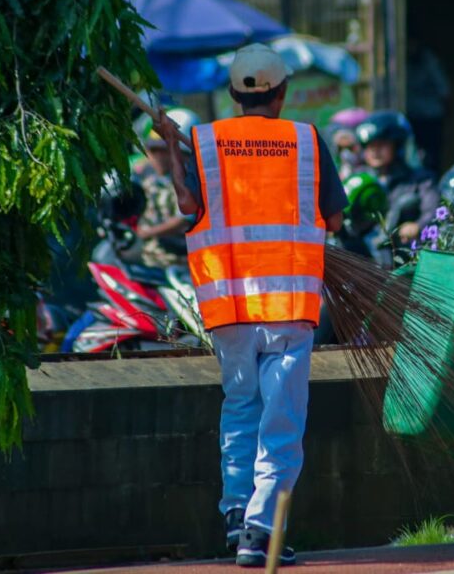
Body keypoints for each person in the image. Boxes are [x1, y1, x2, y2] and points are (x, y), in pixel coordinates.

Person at [154, 43, 347, 568]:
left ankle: (237, 515)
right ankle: (260, 534)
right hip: (287, 307)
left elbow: (188, 206)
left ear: (235, 94)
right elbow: (332, 221)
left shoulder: (203, 143)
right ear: (282, 92)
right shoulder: (305, 141)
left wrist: (176, 152)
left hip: (229, 307)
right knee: (281, 421)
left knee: (242, 411)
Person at [355, 110, 440, 251]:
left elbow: (433, 211)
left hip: (403, 254)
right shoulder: (359, 180)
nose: (375, 151)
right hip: (364, 255)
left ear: (397, 146)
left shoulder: (421, 180)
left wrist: (418, 226)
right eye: (370, 146)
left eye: (381, 144)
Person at [133, 108, 201, 267]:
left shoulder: (193, 182)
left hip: (184, 262)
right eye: (153, 150)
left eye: (164, 151)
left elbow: (184, 218)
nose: (157, 157)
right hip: (151, 260)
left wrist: (146, 233)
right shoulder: (144, 177)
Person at [406, 31, 450, 171]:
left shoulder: (429, 60)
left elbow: (445, 92)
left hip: (431, 118)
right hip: (412, 118)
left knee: (432, 157)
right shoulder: (401, 62)